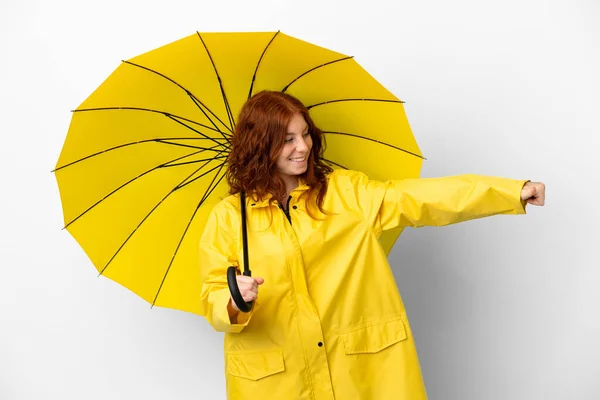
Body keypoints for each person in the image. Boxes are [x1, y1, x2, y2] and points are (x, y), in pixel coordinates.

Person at [198, 90, 545, 400]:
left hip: (359, 374)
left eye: (304, 134)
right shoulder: (230, 218)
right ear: (260, 145)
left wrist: (509, 191)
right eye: (287, 139)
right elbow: (212, 297)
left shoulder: (346, 194)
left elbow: (421, 199)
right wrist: (233, 301)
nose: (302, 147)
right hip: (278, 384)